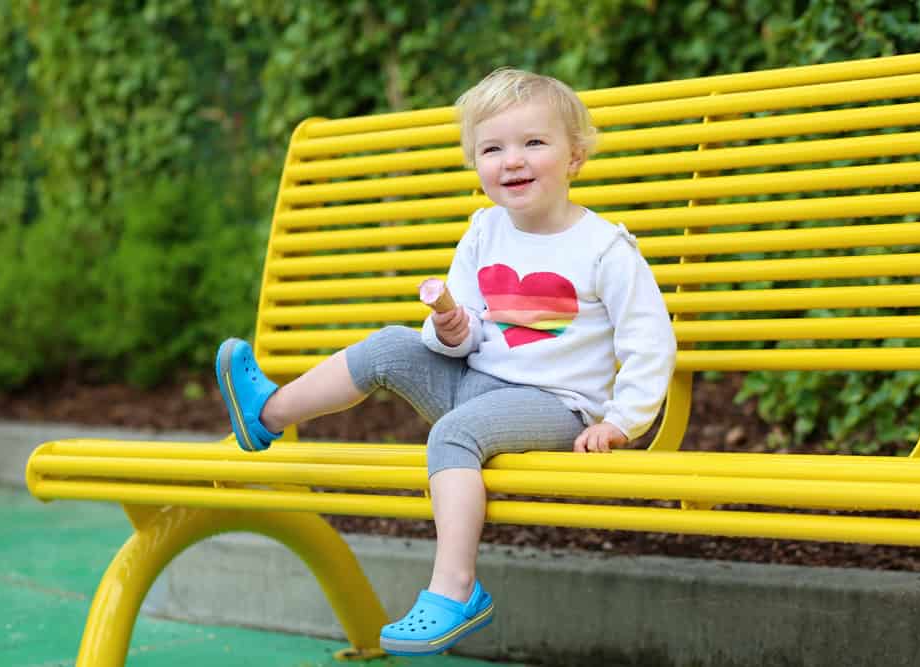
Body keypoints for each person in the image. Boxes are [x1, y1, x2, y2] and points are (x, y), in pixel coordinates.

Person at [215, 67, 676, 656]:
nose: (512, 160)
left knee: (454, 434)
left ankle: (456, 589)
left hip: (558, 410)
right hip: (477, 384)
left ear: (576, 156)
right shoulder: (483, 231)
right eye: (493, 148)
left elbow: (649, 340)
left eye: (534, 142)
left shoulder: (605, 249)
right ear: (476, 163)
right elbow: (461, 337)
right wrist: (451, 329)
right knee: (389, 344)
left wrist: (622, 422)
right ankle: (266, 414)